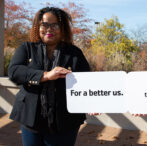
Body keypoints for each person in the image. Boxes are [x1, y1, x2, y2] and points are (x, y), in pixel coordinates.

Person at [8, 7, 90, 146]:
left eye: (55, 25)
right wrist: (45, 75)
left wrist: (93, 102)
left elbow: (87, 81)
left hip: (65, 120)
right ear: (37, 26)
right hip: (31, 118)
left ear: (62, 28)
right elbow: (14, 72)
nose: (49, 29)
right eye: (44, 24)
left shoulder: (74, 52)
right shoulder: (27, 48)